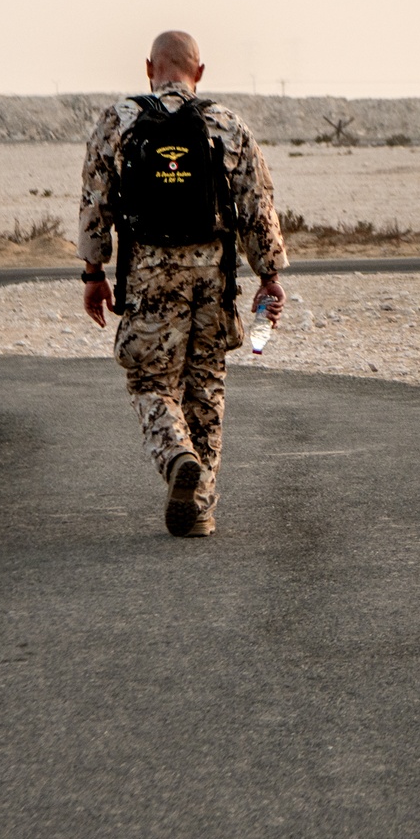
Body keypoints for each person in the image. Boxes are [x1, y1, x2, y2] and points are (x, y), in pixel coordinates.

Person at [78, 30, 287, 537]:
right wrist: (269, 276)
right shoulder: (228, 125)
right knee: (206, 390)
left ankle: (175, 455)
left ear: (150, 67)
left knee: (150, 380)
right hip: (213, 280)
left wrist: (93, 273)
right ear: (200, 71)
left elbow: (94, 203)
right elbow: (257, 208)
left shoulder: (118, 121)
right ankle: (200, 509)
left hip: (151, 275)